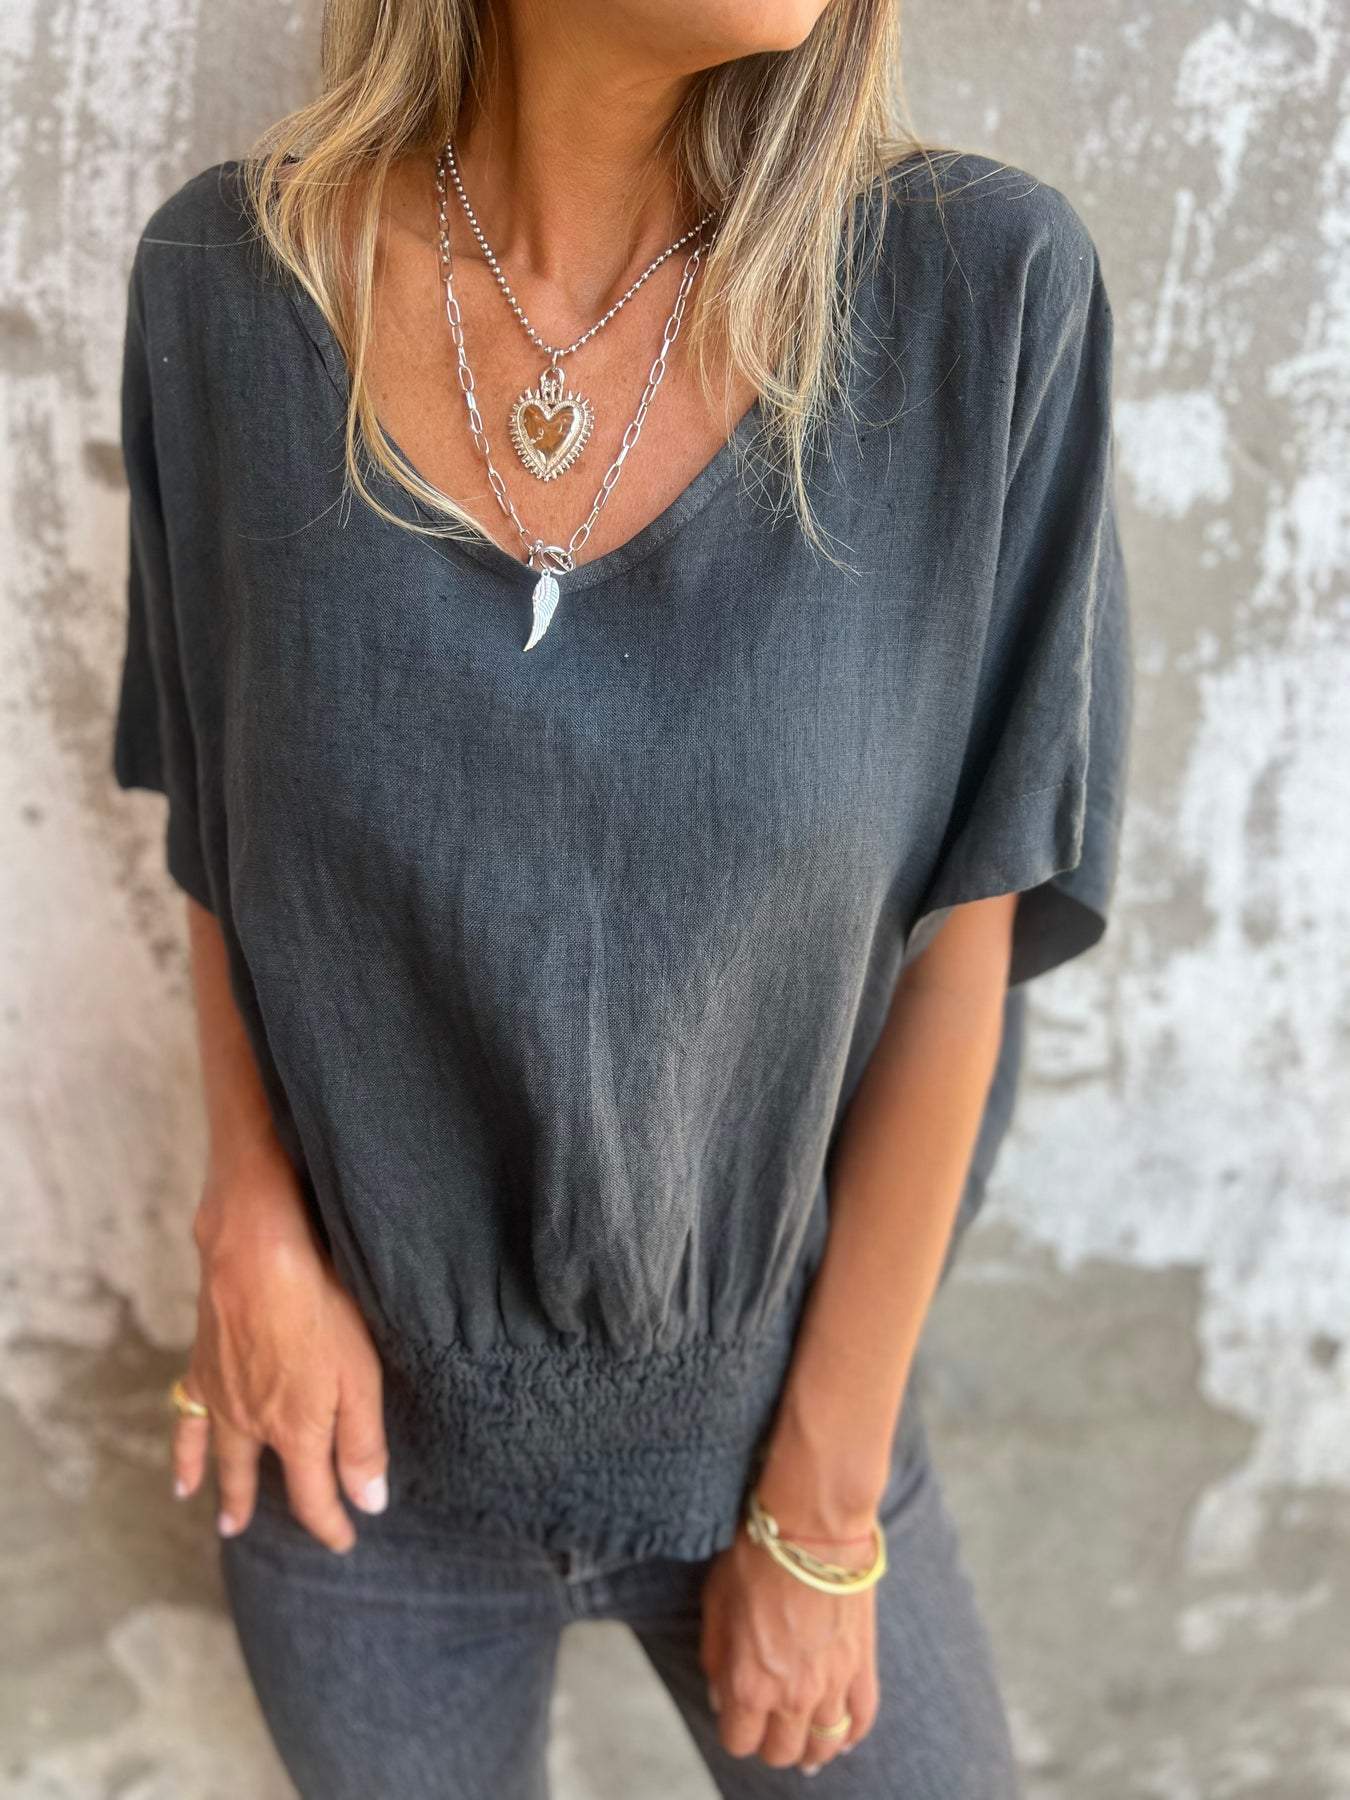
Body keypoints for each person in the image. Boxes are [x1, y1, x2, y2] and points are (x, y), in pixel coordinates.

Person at [110, 1, 1132, 1794]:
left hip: (787, 1438)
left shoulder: (976, 296)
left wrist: (820, 1508)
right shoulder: (231, 287)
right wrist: (247, 1221)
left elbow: (961, 938)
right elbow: (220, 812)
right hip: (349, 1453)